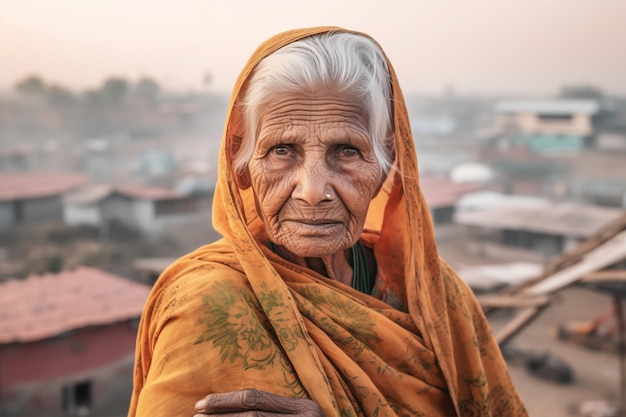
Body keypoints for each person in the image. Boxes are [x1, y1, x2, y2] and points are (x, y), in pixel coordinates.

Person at [127, 26, 528, 417]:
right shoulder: (205, 303)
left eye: (347, 151)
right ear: (242, 167)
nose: (313, 190)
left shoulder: (437, 295)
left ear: (386, 166)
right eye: (282, 150)